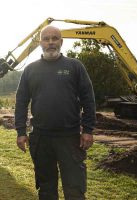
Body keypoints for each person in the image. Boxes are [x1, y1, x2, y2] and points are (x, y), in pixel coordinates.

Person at [15, 25, 96, 200]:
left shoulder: (75, 66)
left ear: (61, 41)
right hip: (41, 139)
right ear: (40, 43)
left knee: (75, 190)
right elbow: (21, 102)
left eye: (54, 38)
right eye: (46, 39)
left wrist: (88, 130)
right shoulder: (30, 70)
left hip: (70, 139)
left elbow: (88, 99)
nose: (51, 42)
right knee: (46, 190)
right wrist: (21, 132)